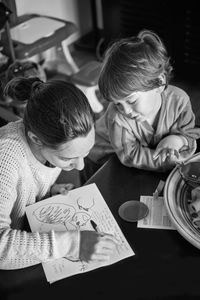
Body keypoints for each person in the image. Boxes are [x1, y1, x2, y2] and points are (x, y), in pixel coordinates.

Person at [0, 77, 118, 269]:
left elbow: (28, 181)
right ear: (36, 139)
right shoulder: (5, 158)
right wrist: (73, 244)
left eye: (85, 153)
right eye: (67, 159)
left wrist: (48, 192)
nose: (80, 167)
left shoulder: (49, 142)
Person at [83, 29, 200, 180]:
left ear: (160, 82)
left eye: (131, 100)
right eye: (118, 104)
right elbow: (130, 155)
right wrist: (166, 162)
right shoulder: (117, 118)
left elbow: (190, 132)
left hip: (132, 159)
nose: (125, 110)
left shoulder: (180, 101)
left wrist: (177, 140)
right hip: (99, 158)